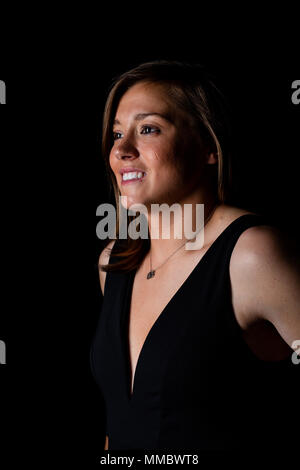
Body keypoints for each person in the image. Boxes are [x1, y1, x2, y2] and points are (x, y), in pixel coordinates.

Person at [91, 60, 300, 451]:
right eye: (116, 133)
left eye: (148, 129)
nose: (120, 149)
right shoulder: (114, 264)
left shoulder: (251, 254)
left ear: (208, 145)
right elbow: (123, 425)